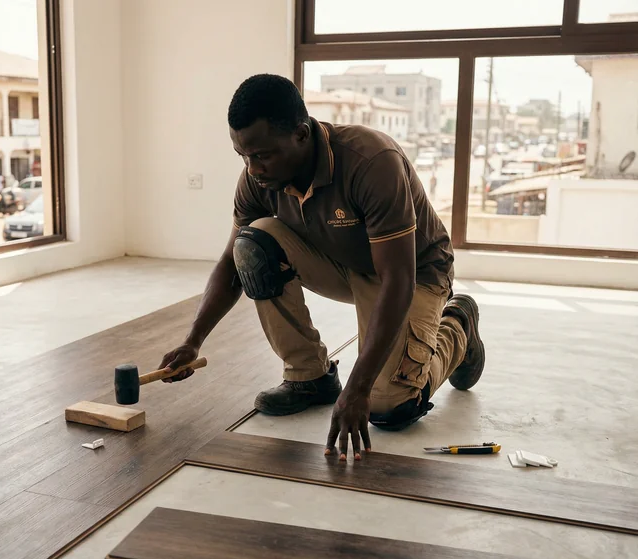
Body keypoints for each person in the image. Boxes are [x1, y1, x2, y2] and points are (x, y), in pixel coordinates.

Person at [159, 74, 484, 461]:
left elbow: (398, 280)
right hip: (344, 265)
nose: (253, 168)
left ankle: (458, 326)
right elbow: (232, 265)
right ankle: (309, 376)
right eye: (243, 156)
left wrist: (359, 388)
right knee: (253, 243)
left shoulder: (372, 161)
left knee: (390, 408)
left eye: (262, 155)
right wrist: (193, 341)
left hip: (415, 272)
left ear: (301, 134)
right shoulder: (256, 180)